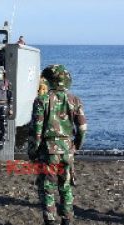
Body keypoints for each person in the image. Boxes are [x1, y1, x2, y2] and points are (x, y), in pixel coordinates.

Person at [29, 65, 87, 225]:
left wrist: (32, 152)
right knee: (65, 185)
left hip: (48, 151)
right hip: (67, 150)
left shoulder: (42, 100)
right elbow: (82, 128)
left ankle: (50, 220)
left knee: (47, 187)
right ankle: (67, 219)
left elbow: (36, 131)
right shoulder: (75, 100)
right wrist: (76, 146)